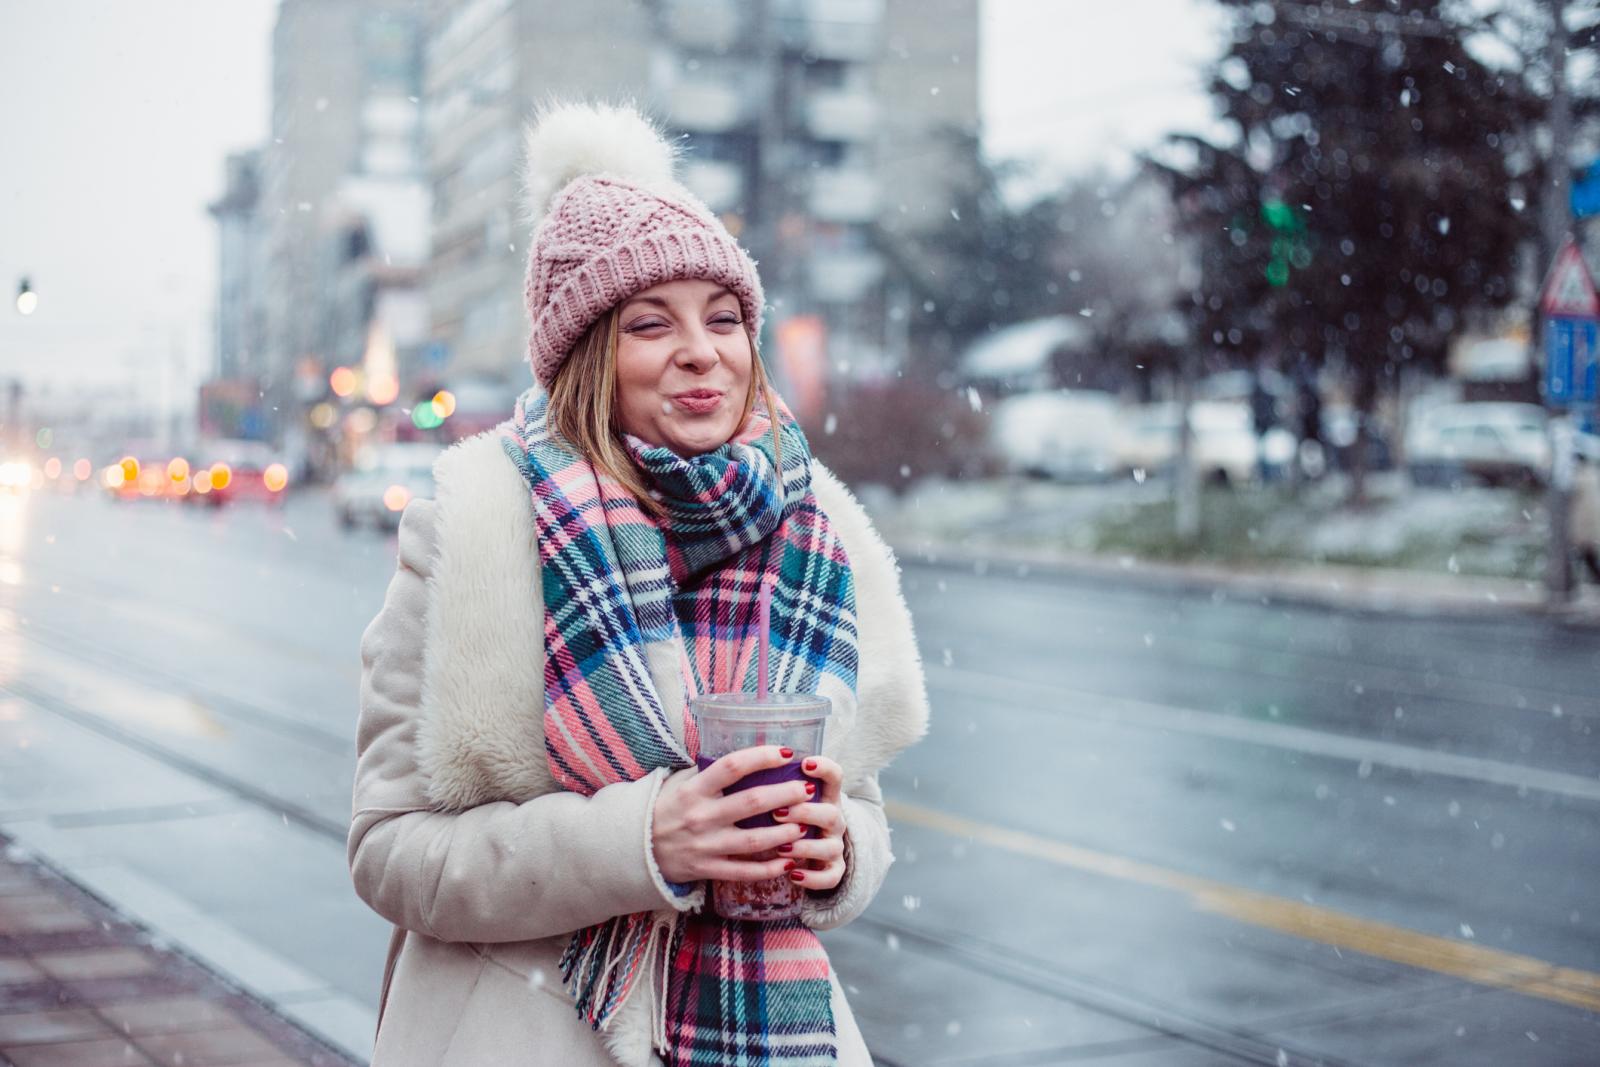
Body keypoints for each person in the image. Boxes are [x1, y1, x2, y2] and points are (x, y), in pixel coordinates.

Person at [348, 100, 930, 1067]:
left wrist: (839, 856)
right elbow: (389, 849)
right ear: (588, 358)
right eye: (651, 322)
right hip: (521, 1030)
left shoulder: (811, 528)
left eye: (727, 317)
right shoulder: (479, 522)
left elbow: (855, 804)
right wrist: (645, 841)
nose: (703, 351)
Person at [1570, 436, 1600, 584]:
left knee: (1582, 555)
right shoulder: (1592, 474)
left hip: (1582, 524)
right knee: (1587, 556)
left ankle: (1570, 583)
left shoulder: (1580, 476)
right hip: (1589, 524)